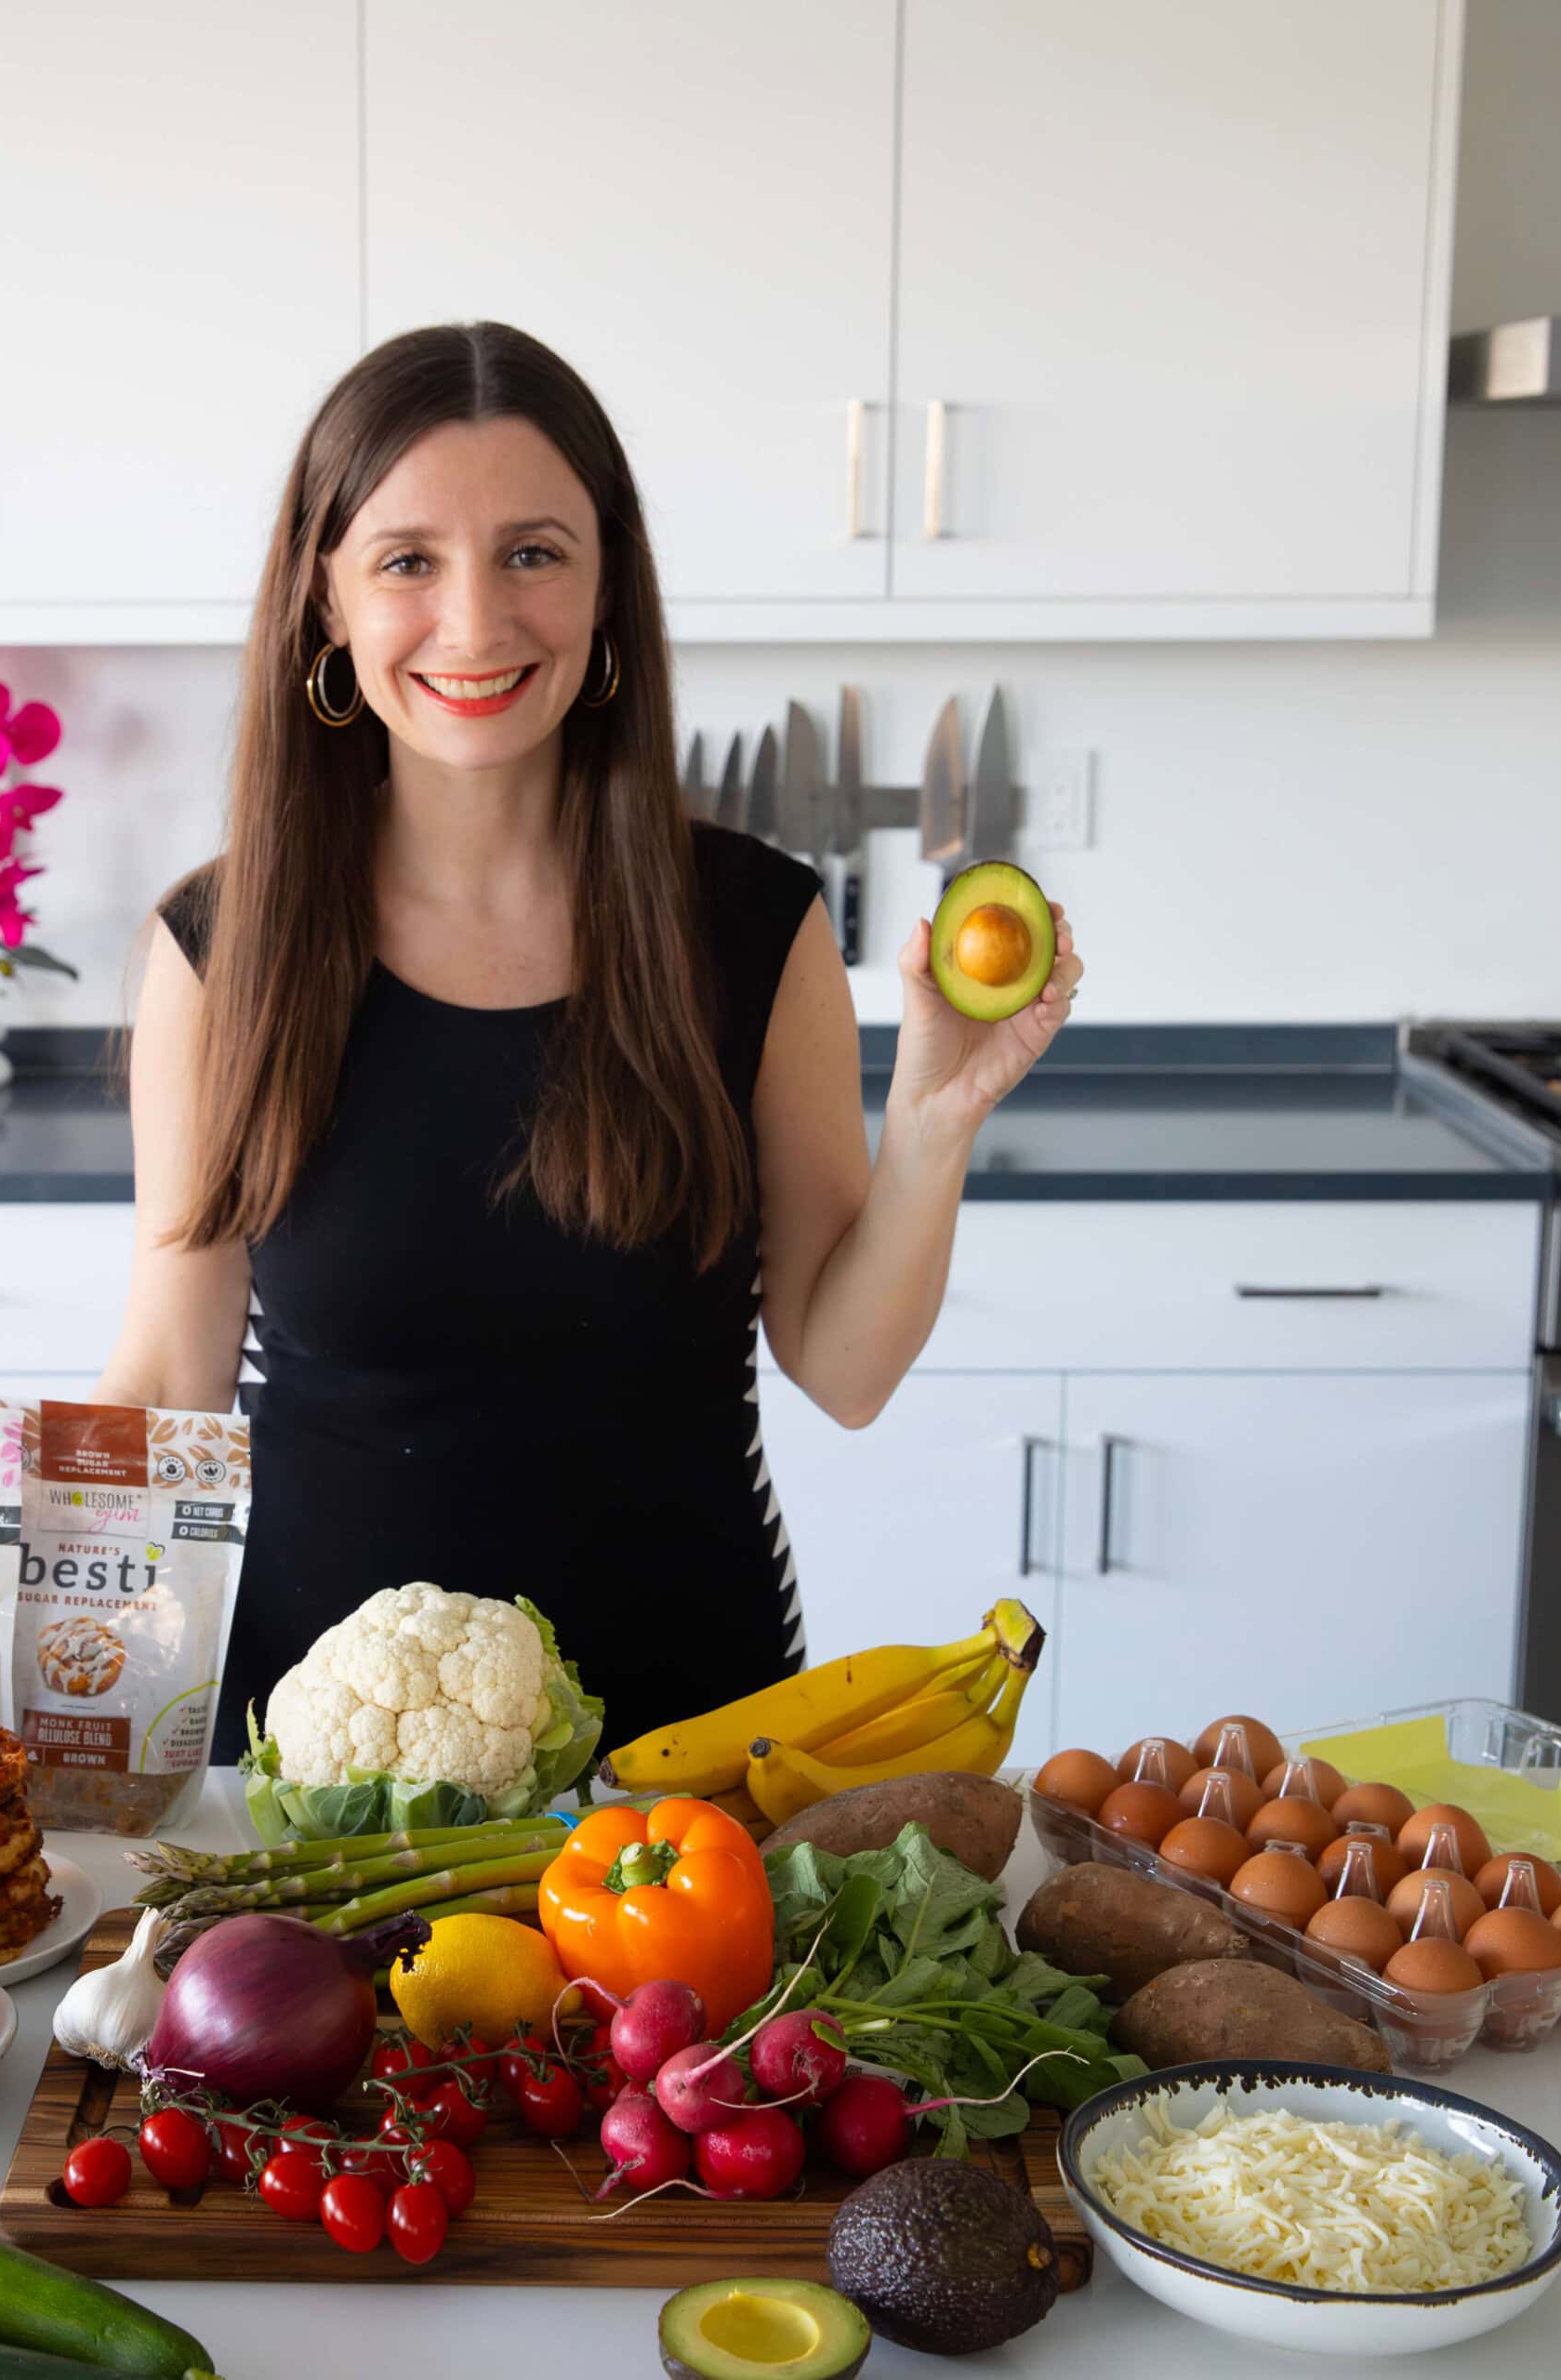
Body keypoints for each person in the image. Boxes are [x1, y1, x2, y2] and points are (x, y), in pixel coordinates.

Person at [92, 322, 1081, 1762]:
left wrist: (935, 1119)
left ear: (609, 584)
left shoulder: (749, 926)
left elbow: (845, 1367)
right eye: (410, 560)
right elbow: (169, 1385)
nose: (478, 625)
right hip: (320, 1781)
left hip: (695, 1757)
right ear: (327, 598)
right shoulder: (218, 952)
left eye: (534, 553)